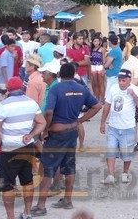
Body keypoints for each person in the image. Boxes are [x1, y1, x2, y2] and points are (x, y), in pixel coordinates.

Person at [30, 63, 101, 216]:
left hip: (57, 134)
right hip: (71, 132)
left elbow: (49, 112)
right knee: (69, 167)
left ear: (59, 74)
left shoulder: (56, 89)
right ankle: (67, 200)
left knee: (47, 168)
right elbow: (97, 106)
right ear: (74, 74)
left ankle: (41, 205)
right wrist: (80, 121)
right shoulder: (81, 88)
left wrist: (45, 130)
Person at [0, 77, 46, 219]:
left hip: (9, 149)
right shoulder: (31, 103)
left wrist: (0, 144)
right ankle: (27, 213)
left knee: (7, 185)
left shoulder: (3, 105)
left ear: (8, 89)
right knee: (27, 181)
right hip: (27, 147)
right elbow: (42, 123)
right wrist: (31, 135)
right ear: (22, 88)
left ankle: (10, 217)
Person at [99, 68, 138, 185]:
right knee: (110, 150)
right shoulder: (113, 88)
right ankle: (111, 175)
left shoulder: (135, 90)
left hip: (128, 127)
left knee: (127, 153)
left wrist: (134, 95)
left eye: (123, 80)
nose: (121, 83)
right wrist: (103, 122)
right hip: (113, 126)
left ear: (129, 80)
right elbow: (107, 105)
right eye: (119, 80)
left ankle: (125, 173)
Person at [89, 35, 106, 103]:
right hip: (93, 66)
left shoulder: (102, 49)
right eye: (95, 41)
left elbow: (103, 59)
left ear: (100, 42)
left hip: (100, 66)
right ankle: (97, 97)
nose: (96, 43)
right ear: (92, 42)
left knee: (101, 83)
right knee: (95, 83)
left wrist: (103, 69)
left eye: (97, 41)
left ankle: (102, 99)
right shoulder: (91, 49)